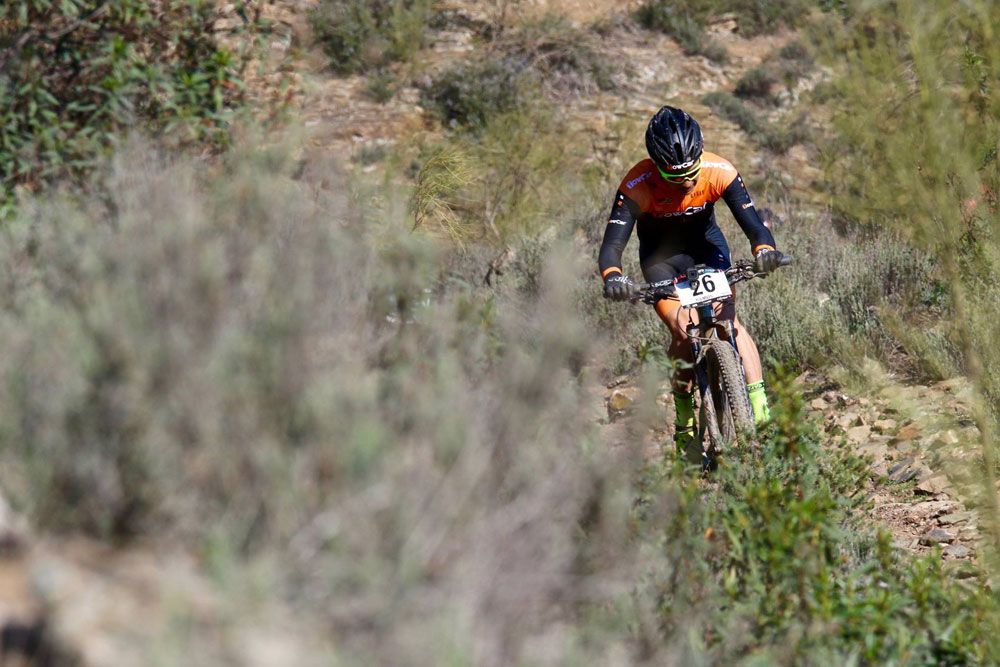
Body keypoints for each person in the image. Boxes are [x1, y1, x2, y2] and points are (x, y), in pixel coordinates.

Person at [598, 106, 784, 452]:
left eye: (690, 172)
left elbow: (754, 224)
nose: (685, 181)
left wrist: (764, 249)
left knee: (730, 322)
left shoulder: (719, 171)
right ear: (655, 165)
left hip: (706, 249)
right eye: (673, 175)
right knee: (683, 332)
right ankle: (684, 416)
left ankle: (760, 410)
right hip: (661, 260)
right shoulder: (636, 184)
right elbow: (611, 247)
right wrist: (614, 277)